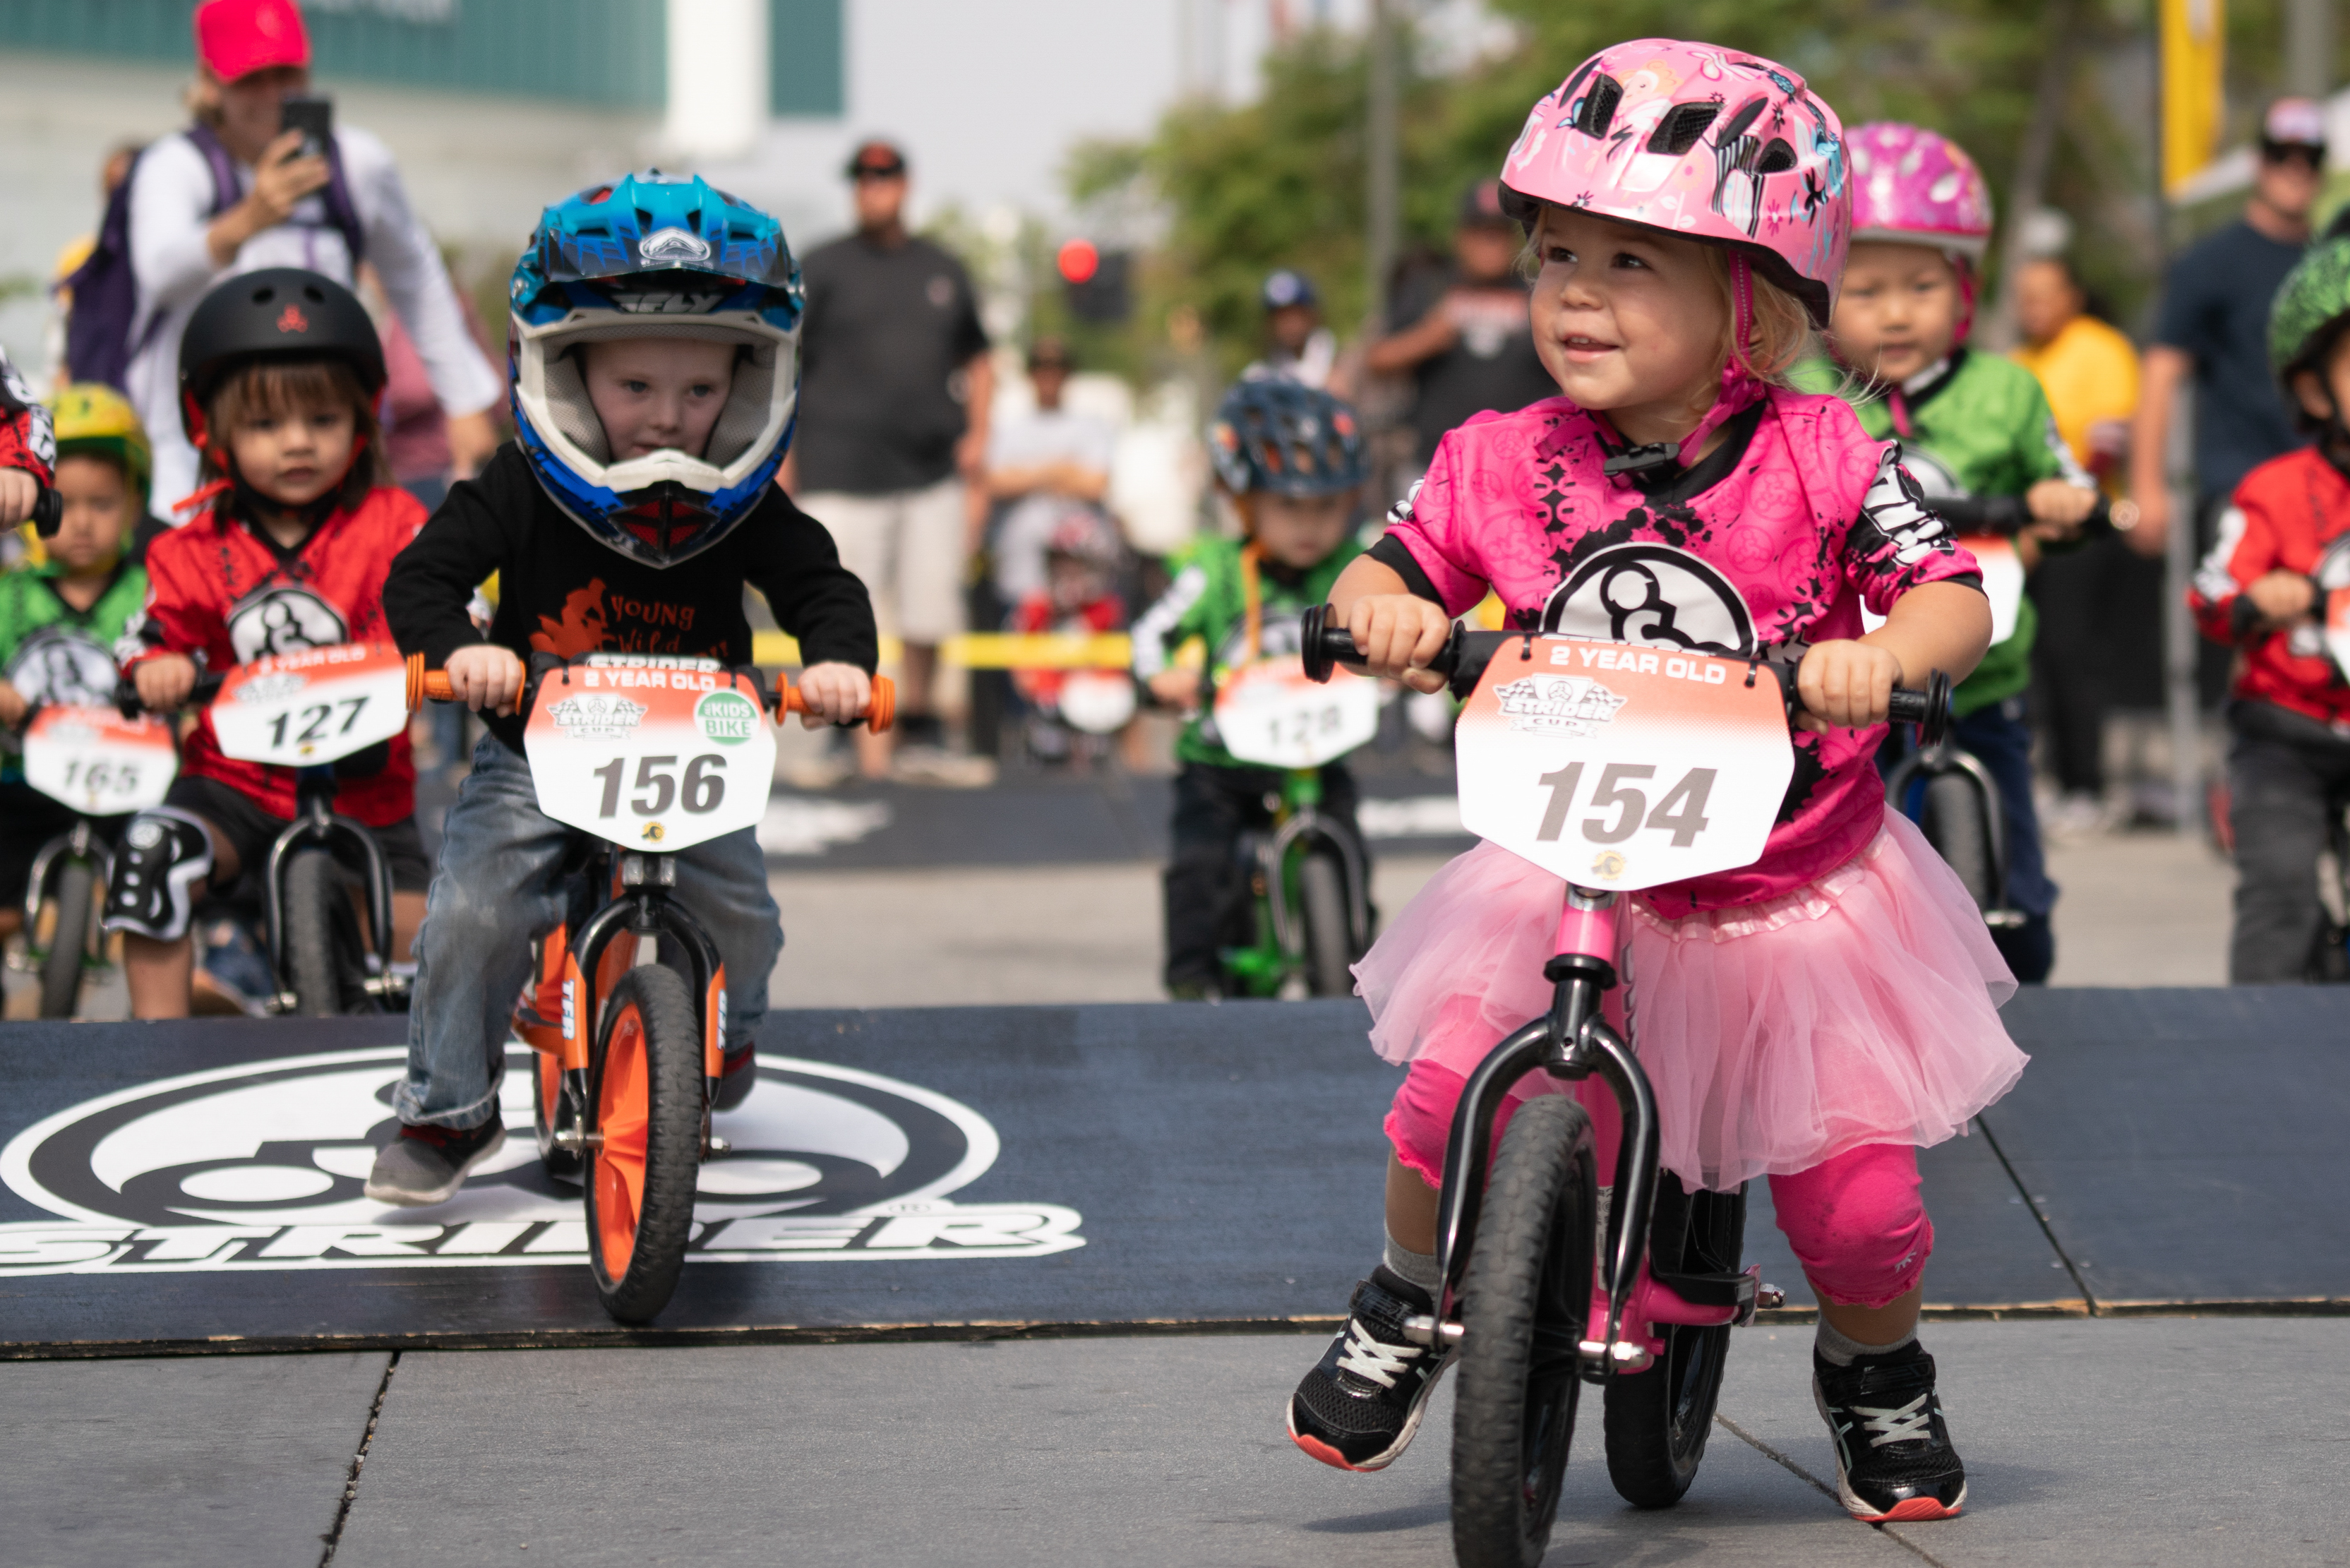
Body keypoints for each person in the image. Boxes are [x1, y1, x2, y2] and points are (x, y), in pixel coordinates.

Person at [1284, 43, 2020, 1528]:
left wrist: (1885, 657)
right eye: (1556, 252)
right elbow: (1394, 558)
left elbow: (1947, 590)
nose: (1572, 290)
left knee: (1857, 1208)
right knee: (1442, 1102)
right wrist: (1381, 605)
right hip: (1573, 864)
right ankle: (1405, 1288)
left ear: (1749, 301)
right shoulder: (1497, 456)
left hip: (1787, 889)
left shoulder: (1824, 448)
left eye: (1630, 261)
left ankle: (1874, 1373)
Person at [370, 172, 876, 1205]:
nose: (668, 420)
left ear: (749, 383)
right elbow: (420, 577)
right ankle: (445, 1111)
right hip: (536, 753)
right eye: (634, 388)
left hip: (694, 751)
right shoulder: (517, 485)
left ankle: (720, 1041)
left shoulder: (746, 508)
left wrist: (836, 663)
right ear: (564, 372)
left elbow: (824, 586)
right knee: (470, 911)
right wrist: (459, 647)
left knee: (744, 914)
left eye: (701, 393)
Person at [1799, 122, 2097, 983]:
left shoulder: (2005, 389)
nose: (1895, 312)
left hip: (1983, 677)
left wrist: (2059, 500)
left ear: (1962, 291)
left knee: (2015, 873)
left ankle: (2020, 937)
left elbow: (2061, 477)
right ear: (1819, 298)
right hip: (1843, 682)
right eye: (1865, 289)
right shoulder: (1800, 397)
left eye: (1921, 286)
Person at [103, 268, 432, 1019]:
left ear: (363, 419)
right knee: (151, 856)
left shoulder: (394, 522)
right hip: (236, 787)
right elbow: (151, 629)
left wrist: (458, 646)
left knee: (442, 954)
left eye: (320, 419)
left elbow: (440, 602)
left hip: (367, 784)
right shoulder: (192, 545)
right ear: (208, 431)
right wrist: (153, 666)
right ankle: (156, 1050)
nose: (296, 443)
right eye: (264, 426)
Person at [121, 0, 500, 512]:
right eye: (252, 78)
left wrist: (465, 403)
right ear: (211, 83)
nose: (274, 95)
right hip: (194, 463)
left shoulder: (357, 163)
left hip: (329, 457)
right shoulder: (174, 166)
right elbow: (158, 272)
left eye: (287, 73)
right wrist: (248, 218)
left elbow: (415, 277)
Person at [1133, 379, 1369, 998]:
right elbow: (1148, 634)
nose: (1310, 526)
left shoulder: (1354, 565)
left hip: (1316, 757)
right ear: (1242, 503)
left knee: (1354, 854)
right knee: (1199, 869)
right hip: (1222, 762)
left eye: (1326, 507)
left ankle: (1352, 964)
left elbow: (1410, 616)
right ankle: (1191, 985)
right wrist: (1161, 675)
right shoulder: (1211, 568)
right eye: (1289, 507)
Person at [785, 138, 990, 784]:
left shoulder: (942, 267)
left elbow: (978, 357)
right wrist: (781, 457)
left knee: (931, 608)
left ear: (905, 184)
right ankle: (844, 741)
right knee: (842, 610)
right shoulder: (821, 265)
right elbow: (781, 364)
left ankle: (921, 734)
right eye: (864, 178)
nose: (874, 187)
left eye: (884, 176)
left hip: (929, 471)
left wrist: (981, 434)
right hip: (838, 467)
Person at [2188, 213, 2350, 983]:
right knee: (2279, 894)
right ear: (2312, 389)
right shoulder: (2273, 490)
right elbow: (2209, 591)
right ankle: (2256, 1042)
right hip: (2282, 732)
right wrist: (2255, 598)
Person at [2133, 99, 2326, 577]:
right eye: (2282, 155)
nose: (2296, 169)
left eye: (2310, 157)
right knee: (2247, 636)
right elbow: (2160, 373)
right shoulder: (2209, 263)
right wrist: (2146, 487)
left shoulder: (2330, 263)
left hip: (2325, 492)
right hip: (2242, 491)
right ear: (2257, 162)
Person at [0, 386, 145, 955]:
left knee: (148, 866)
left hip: (123, 778)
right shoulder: (13, 595)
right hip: (25, 776)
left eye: (102, 505)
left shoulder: (144, 592)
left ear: (135, 506)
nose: (81, 522)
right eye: (68, 502)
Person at [2010, 250, 2142, 836]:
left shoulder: (2101, 348)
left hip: (2080, 528)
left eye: (2043, 293)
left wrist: (2054, 516)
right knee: (2032, 655)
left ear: (2072, 295)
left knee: (2073, 654)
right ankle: (2053, 780)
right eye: (2024, 296)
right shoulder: (2016, 361)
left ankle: (2087, 785)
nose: (2031, 307)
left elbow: (2106, 444)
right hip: (2022, 529)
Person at [1363, 180, 1559, 471]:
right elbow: (1376, 359)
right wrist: (1426, 338)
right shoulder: (1430, 289)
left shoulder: (1539, 291)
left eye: (1498, 235)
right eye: (1481, 234)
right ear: (1461, 237)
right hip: (1437, 463)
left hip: (1526, 464)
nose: (1490, 245)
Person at [984, 336, 1116, 609]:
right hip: (1022, 578)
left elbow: (1096, 485)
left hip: (1082, 574)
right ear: (1030, 373)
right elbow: (996, 483)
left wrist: (1028, 474)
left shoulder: (1091, 425)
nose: (1049, 373)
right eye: (1041, 366)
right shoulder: (1009, 429)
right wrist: (1062, 469)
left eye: (1057, 366)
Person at [1007, 510, 1128, 765]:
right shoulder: (1034, 610)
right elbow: (1023, 678)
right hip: (1048, 721)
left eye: (1074, 566)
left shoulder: (1110, 612)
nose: (1066, 575)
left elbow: (1122, 682)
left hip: (1098, 724)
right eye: (1059, 565)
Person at [1242, 270, 1338, 389]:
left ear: (1312, 316)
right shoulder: (1258, 375)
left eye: (1295, 314)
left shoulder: (1339, 365)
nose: (1288, 325)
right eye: (1280, 317)